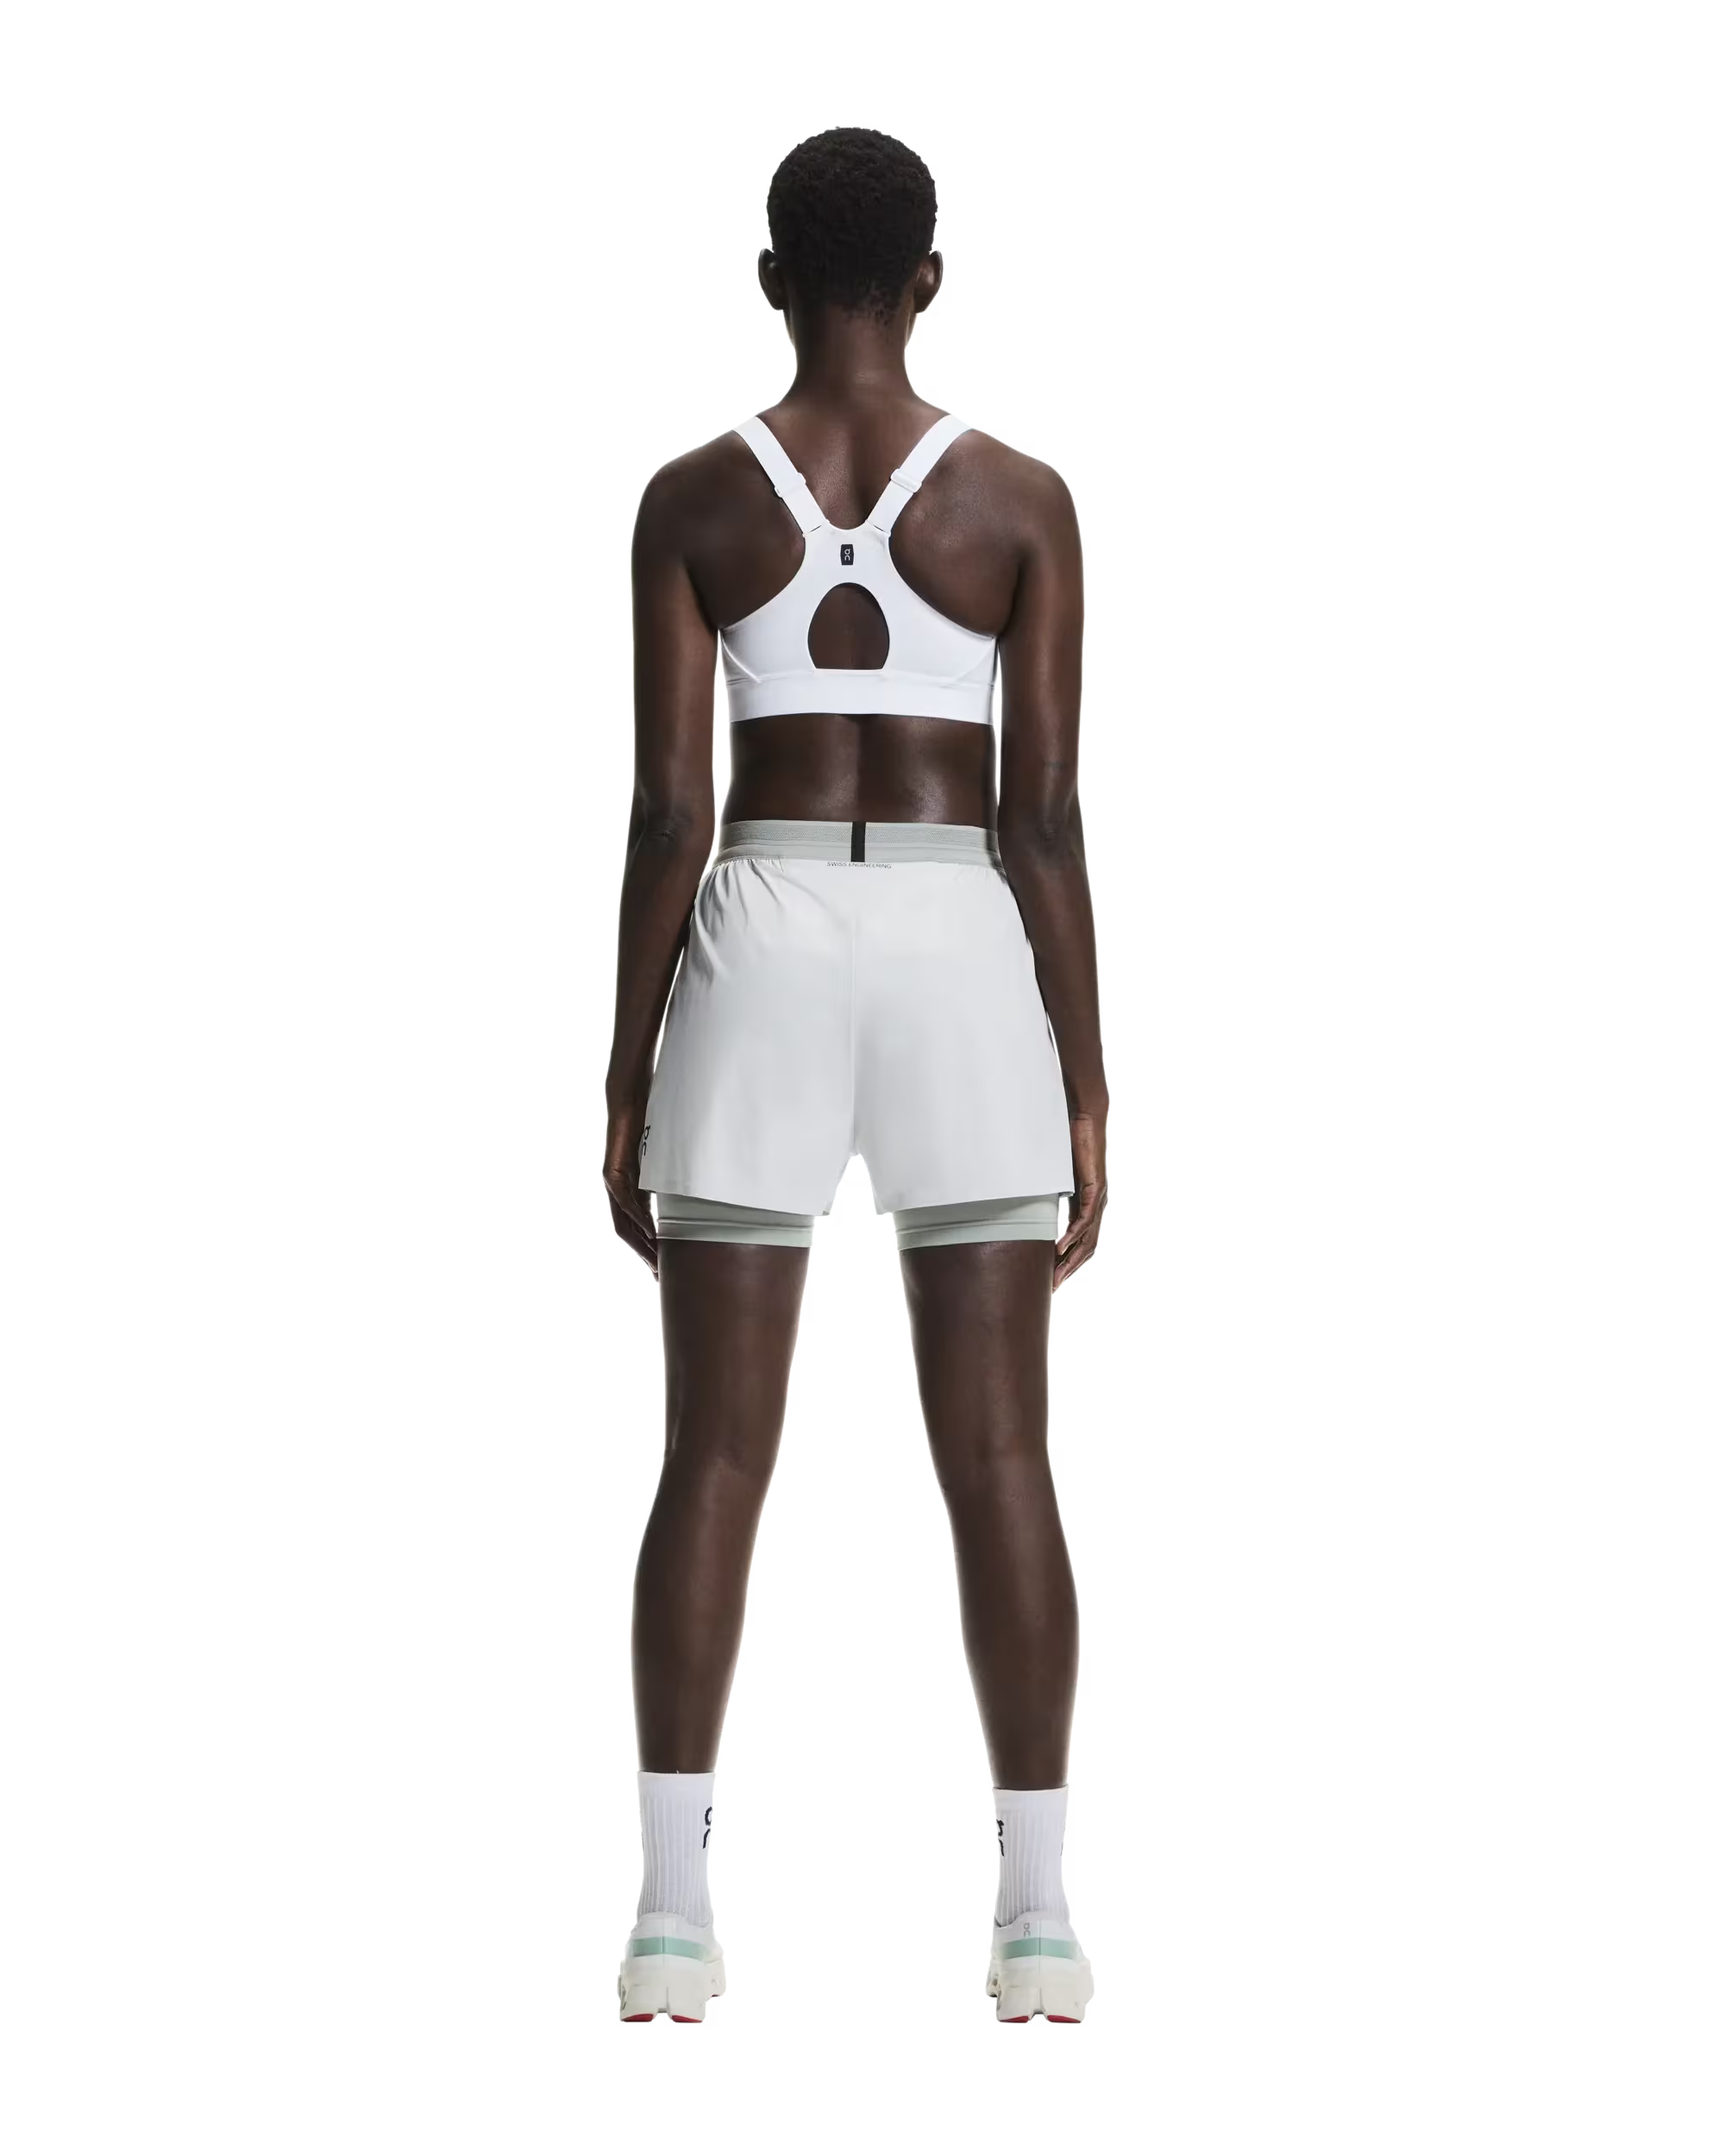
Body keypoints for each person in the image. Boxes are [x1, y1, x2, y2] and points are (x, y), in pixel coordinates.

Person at [605, 125, 1108, 2027]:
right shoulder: (1022, 501)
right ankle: (1038, 1929)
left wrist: (628, 1075)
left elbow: (670, 814)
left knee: (712, 1459)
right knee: (1000, 1460)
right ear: (929, 281)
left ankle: (670, 1929)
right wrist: (1086, 1087)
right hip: (960, 945)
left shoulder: (688, 501)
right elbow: (1045, 821)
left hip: (764, 931)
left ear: (768, 276)